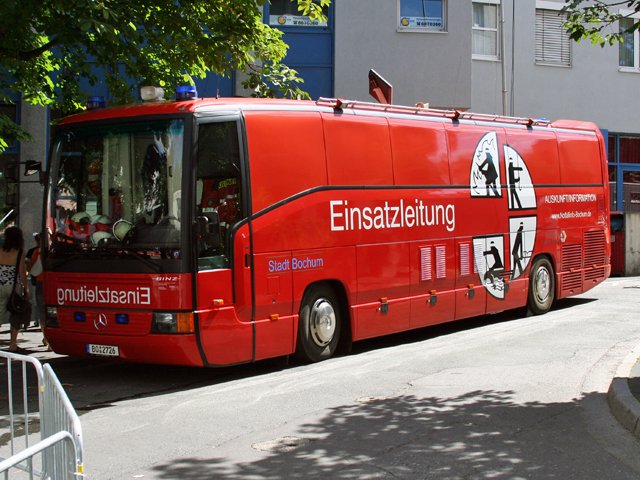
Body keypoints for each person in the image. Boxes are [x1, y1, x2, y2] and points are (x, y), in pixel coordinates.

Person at [0, 226, 29, 352]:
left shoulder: (0, 250)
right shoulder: (20, 252)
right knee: (16, 314)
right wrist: (26, 288)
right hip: (14, 286)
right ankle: (12, 344)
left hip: (0, 285)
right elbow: (22, 272)